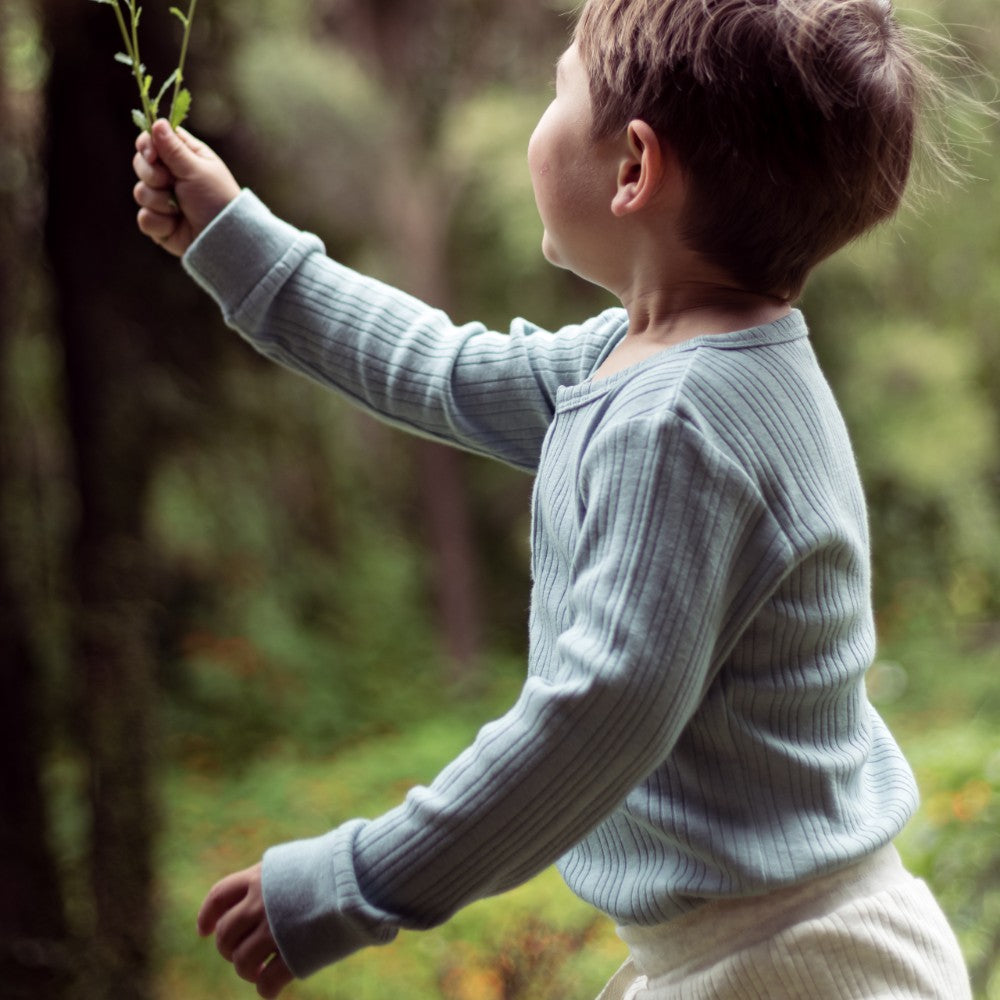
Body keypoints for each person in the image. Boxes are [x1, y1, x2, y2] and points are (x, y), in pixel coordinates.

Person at [131, 1, 974, 997]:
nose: (541, 114)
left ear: (633, 168)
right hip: (768, 945)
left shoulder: (682, 421)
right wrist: (236, 240)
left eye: (557, 87)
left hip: (793, 966)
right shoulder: (652, 364)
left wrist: (359, 877)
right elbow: (438, 369)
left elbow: (593, 721)